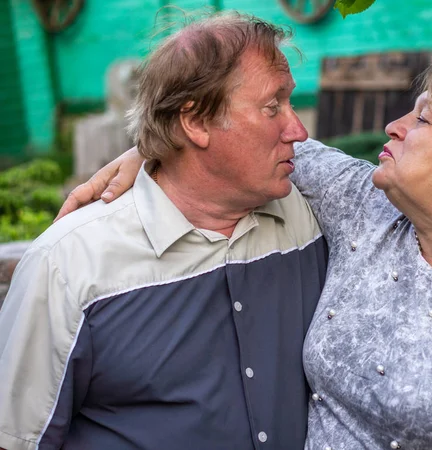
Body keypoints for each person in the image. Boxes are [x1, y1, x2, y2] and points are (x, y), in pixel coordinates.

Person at [61, 57, 432, 448]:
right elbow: (241, 147)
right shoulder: (366, 207)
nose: (395, 126)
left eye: (424, 120)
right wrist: (150, 150)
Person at [0, 12, 328, 450]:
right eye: (273, 107)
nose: (299, 131)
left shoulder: (313, 213)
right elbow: (17, 437)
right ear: (194, 123)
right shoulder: (67, 265)